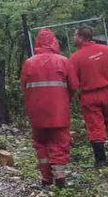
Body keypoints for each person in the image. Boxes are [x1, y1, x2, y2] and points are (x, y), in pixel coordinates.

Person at [21, 29, 77, 186]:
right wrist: (65, 100)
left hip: (37, 112)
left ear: (38, 43)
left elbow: (24, 88)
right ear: (54, 42)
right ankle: (60, 176)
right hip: (58, 111)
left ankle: (46, 178)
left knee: (40, 143)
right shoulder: (63, 61)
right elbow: (73, 85)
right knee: (59, 142)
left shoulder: (29, 63)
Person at [70, 26, 108, 166]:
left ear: (81, 37)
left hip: (89, 96)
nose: (73, 38)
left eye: (75, 35)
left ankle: (100, 160)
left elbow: (72, 82)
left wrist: (71, 96)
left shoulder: (75, 58)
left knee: (95, 126)